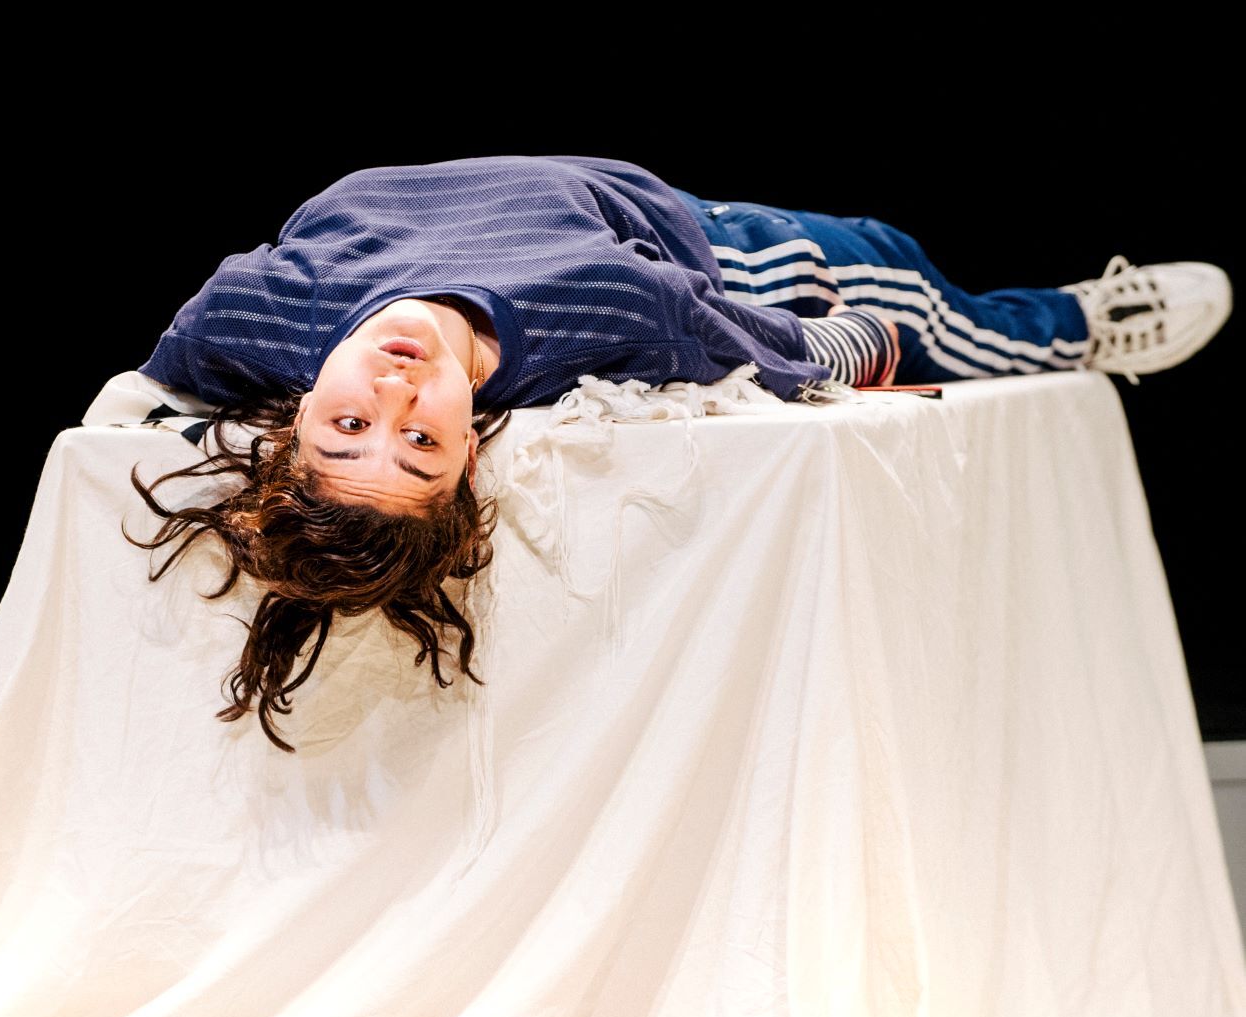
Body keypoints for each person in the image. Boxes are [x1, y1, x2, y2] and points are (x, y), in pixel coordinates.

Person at [121, 155, 1232, 751]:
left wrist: (176, 434)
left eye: (349, 425)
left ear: (294, 410)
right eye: (419, 442)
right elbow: (797, 348)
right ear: (473, 442)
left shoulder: (256, 316)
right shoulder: (614, 314)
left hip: (594, 201)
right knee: (898, 277)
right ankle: (1074, 323)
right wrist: (861, 348)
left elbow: (137, 396)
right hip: (698, 249)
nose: (395, 392)